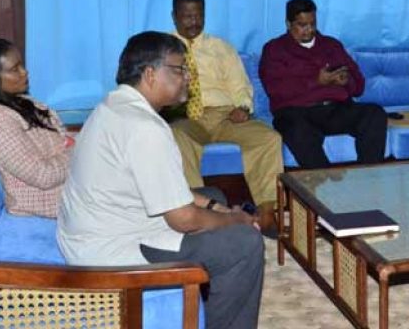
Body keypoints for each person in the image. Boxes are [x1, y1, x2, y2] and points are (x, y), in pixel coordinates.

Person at [57, 32, 263, 329]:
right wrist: (237, 221)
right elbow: (183, 219)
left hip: (96, 229)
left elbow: (165, 188)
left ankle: (209, 297)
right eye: (180, 69)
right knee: (245, 243)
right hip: (112, 250)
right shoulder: (145, 128)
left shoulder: (112, 106)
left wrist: (218, 208)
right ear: (151, 74)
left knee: (212, 194)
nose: (188, 78)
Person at [168, 0, 283, 231]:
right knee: (176, 137)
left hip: (225, 116)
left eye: (199, 15)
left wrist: (243, 106)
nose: (194, 22)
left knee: (269, 138)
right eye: (187, 16)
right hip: (187, 117)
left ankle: (266, 211)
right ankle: (198, 212)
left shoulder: (221, 48)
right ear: (174, 16)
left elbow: (240, 86)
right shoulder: (164, 49)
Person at [259, 0, 387, 169]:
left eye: (312, 24)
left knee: (375, 113)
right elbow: (275, 90)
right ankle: (324, 183)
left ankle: (368, 177)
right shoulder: (274, 49)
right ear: (288, 24)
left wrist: (346, 82)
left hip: (335, 109)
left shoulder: (331, 45)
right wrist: (316, 81)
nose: (309, 30)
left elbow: (359, 87)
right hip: (297, 112)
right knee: (295, 129)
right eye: (302, 25)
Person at [0, 37, 73, 218]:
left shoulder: (16, 100)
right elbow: (42, 176)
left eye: (22, 65)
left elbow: (59, 136)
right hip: (56, 200)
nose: (24, 72)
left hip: (72, 181)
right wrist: (81, 150)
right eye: (14, 69)